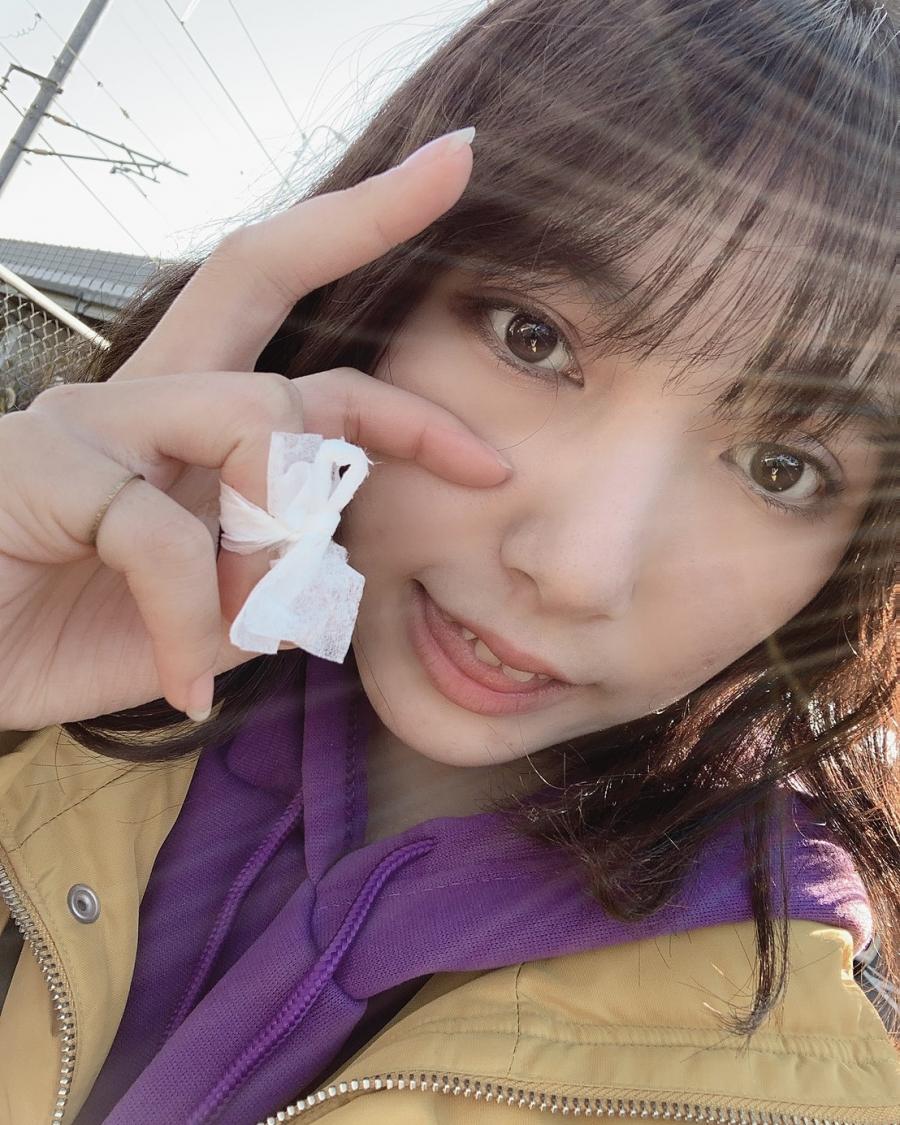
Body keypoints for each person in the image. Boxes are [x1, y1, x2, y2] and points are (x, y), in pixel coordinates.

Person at [0, 0, 897, 1120]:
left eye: (780, 467)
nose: (577, 571)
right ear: (373, 288)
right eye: (534, 337)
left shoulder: (811, 1084)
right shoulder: (56, 681)